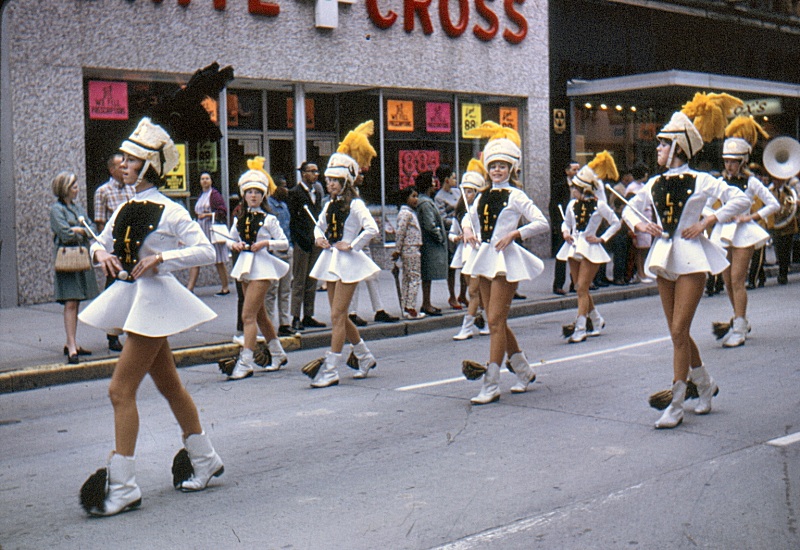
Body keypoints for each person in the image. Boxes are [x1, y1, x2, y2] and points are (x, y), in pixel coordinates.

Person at [78, 118, 223, 516]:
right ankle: (205, 457)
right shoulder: (124, 206)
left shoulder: (171, 211)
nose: (122, 163)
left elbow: (206, 251)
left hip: (154, 303)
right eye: (123, 157)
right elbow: (101, 245)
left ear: (149, 166)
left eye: (131, 158)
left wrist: (163, 257)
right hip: (132, 300)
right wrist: (101, 255)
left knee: (119, 391)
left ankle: (123, 486)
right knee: (171, 387)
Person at [621, 94, 749, 429]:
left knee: (679, 330)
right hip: (665, 255)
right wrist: (641, 223)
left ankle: (676, 404)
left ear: (677, 147)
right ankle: (705, 385)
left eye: (662, 146)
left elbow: (739, 197)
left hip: (692, 257)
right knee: (676, 332)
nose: (658, 151)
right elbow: (627, 208)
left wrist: (708, 222)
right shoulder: (653, 183)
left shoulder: (702, 180)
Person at [461, 125, 550, 404]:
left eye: (503, 166)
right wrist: (467, 231)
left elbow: (541, 222)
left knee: (496, 320)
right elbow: (468, 218)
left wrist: (515, 233)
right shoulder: (482, 196)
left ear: (512, 168)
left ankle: (491, 383)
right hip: (485, 257)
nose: (498, 170)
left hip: (506, 260)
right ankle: (523, 371)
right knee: (495, 319)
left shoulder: (517, 196)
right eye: (494, 166)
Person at [306, 122, 381, 387]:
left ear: (345, 181)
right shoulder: (329, 205)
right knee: (340, 316)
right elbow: (319, 225)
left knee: (337, 315)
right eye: (328, 180)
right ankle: (363, 356)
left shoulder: (357, 204)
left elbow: (372, 228)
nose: (330, 184)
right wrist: (319, 238)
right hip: (332, 261)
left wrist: (353, 244)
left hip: (349, 262)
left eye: (334, 181)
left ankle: (331, 368)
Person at [706, 116, 779, 347]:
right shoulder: (718, 181)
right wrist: (715, 215)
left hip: (744, 232)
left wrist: (751, 216)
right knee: (727, 282)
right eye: (726, 160)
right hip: (723, 231)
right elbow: (705, 203)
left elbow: (773, 204)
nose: (729, 165)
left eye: (734, 161)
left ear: (743, 161)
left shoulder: (751, 182)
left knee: (738, 280)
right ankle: (741, 319)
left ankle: (738, 327)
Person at [225, 162, 290, 380]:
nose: (253, 196)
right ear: (244, 195)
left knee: (248, 315)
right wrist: (234, 245)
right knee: (260, 316)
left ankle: (246, 362)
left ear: (263, 195)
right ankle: (278, 353)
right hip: (245, 267)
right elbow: (230, 239)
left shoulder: (269, 219)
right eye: (249, 192)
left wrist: (265, 244)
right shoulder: (240, 218)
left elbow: (284, 243)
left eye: (257, 192)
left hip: (262, 267)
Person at [557, 152, 622, 343]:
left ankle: (581, 328)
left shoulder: (599, 205)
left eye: (575, 188)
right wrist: (565, 232)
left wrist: (602, 239)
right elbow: (566, 223)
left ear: (584, 189)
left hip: (590, 248)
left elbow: (616, 222)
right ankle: (596, 319)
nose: (572, 191)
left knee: (581, 288)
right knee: (580, 288)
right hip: (573, 246)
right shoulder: (571, 205)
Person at [50, 171, 100, 364]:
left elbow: (92, 229)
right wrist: (80, 231)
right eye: (73, 186)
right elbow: (64, 234)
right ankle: (71, 346)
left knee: (76, 302)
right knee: (71, 303)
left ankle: (72, 342)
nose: (77, 189)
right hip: (67, 260)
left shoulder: (77, 208)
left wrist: (79, 230)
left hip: (79, 258)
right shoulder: (57, 209)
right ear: (65, 189)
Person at [348, 171, 400, 326]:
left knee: (372, 274)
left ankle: (379, 309)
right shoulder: (346, 198)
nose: (362, 176)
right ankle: (351, 312)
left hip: (362, 240)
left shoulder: (356, 194)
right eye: (358, 174)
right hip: (352, 241)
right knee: (354, 278)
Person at [93, 153, 134, 351]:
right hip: (115, 249)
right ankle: (112, 335)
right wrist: (107, 251)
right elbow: (101, 223)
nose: (124, 168)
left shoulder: (132, 189)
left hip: (132, 247)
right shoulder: (103, 191)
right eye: (120, 165)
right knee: (114, 291)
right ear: (111, 169)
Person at [451, 159, 491, 340]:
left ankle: (467, 327)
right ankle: (486, 320)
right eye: (465, 191)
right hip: (465, 253)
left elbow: (489, 230)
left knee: (473, 292)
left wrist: (479, 239)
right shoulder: (460, 211)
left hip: (480, 252)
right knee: (476, 290)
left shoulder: (484, 209)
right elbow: (452, 232)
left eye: (471, 191)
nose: (467, 195)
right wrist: (458, 237)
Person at [288, 161, 326, 332]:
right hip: (301, 242)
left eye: (317, 171)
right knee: (299, 280)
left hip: (314, 240)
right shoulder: (295, 193)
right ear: (303, 173)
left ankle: (308, 315)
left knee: (312, 279)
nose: (315, 174)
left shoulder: (317, 192)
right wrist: (297, 240)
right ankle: (295, 317)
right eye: (312, 171)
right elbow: (292, 220)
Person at [186, 172, 231, 296]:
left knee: (217, 259)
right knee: (196, 256)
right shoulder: (201, 195)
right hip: (201, 229)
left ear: (211, 181)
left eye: (207, 178)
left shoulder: (215, 195)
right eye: (202, 179)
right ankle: (189, 288)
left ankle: (225, 287)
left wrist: (207, 215)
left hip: (211, 229)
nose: (204, 181)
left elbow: (223, 211)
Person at [265, 174, 295, 337]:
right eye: (282, 185)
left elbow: (288, 228)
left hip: (286, 249)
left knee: (285, 289)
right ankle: (269, 324)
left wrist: (290, 246)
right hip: (273, 251)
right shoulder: (268, 205)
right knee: (271, 290)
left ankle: (285, 322)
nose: (286, 189)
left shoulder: (284, 206)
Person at [415, 171, 448, 316]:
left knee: (427, 275)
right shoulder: (426, 203)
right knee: (427, 275)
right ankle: (426, 304)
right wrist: (440, 236)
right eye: (433, 180)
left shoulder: (425, 200)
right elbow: (430, 224)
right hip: (429, 244)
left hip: (426, 242)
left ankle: (427, 303)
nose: (435, 182)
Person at [435, 164, 466, 309]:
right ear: (446, 179)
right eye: (453, 177)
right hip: (451, 234)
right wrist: (455, 222)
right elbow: (441, 218)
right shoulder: (439, 197)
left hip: (464, 231)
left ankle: (463, 294)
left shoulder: (458, 192)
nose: (455, 180)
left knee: (465, 264)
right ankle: (452, 295)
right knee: (452, 267)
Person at [392, 185, 425, 319]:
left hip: (409, 248)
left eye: (416, 196)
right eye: (413, 196)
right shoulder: (406, 213)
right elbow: (400, 232)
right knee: (414, 278)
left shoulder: (408, 212)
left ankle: (406, 305)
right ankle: (410, 307)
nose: (416, 199)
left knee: (407, 278)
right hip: (410, 248)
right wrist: (397, 249)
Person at [550, 160, 580, 295]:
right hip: (563, 225)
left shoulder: (581, 186)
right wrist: (557, 226)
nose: (577, 172)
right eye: (574, 170)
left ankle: (575, 283)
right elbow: (553, 206)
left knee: (577, 256)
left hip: (577, 226)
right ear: (567, 171)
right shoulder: (559, 186)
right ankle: (558, 285)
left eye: (578, 169)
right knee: (561, 257)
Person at [767, 173, 799, 285]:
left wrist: (795, 203)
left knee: (786, 249)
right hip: (776, 224)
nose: (776, 182)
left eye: (778, 180)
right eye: (774, 180)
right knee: (779, 249)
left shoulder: (790, 191)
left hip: (788, 224)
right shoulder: (769, 191)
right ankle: (782, 269)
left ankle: (783, 273)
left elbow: (795, 203)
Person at [624, 163, 653, 284]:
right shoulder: (631, 188)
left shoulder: (644, 186)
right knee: (639, 249)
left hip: (647, 218)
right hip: (638, 220)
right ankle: (640, 272)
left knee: (645, 247)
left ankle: (644, 271)